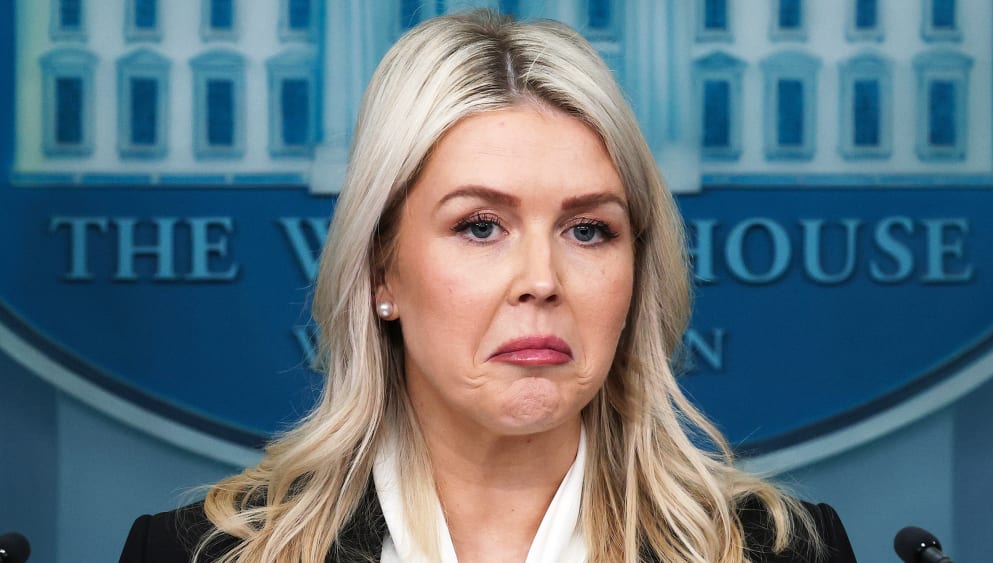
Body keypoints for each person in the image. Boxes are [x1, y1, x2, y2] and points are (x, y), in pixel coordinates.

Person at [120, 10, 857, 563]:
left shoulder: (787, 549)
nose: (541, 281)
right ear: (382, 270)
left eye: (589, 230)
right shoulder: (199, 553)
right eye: (480, 226)